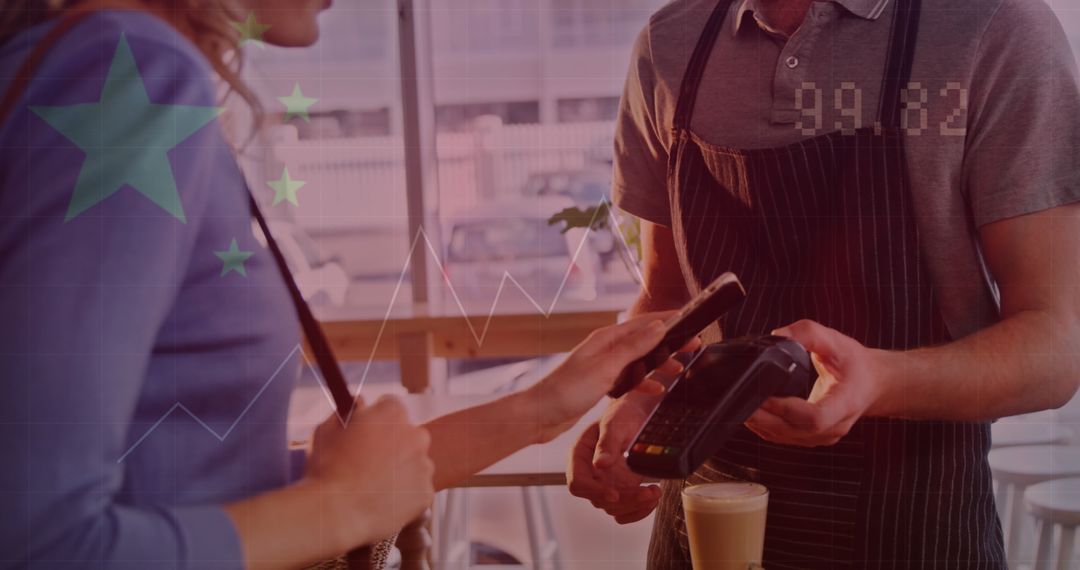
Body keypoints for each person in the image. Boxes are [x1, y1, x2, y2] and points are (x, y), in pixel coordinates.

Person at [0, 2, 698, 568]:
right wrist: (342, 508)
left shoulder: (93, 69)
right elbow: (42, 540)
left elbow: (192, 493)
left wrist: (544, 407)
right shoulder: (128, 72)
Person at [567, 0, 1080, 567]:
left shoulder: (994, 27)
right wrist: (635, 396)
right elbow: (666, 301)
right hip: (707, 520)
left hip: (911, 524)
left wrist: (880, 382)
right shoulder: (671, 43)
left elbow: (1056, 345)